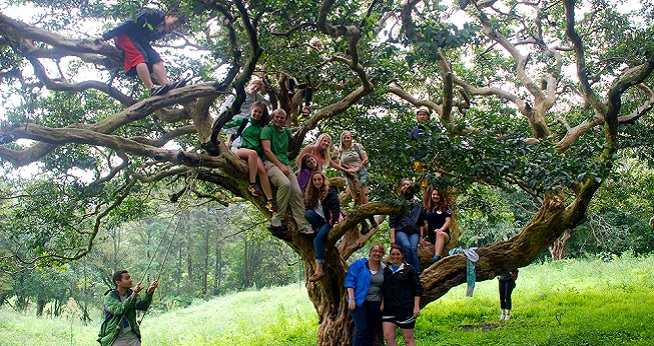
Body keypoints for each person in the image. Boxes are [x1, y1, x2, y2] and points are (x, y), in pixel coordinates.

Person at [99, 8, 186, 97]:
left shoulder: (163, 30)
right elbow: (128, 23)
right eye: (175, 22)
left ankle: (167, 85)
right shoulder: (152, 14)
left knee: (156, 59)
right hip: (124, 35)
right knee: (140, 56)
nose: (175, 26)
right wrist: (105, 37)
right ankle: (151, 88)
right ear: (168, 16)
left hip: (140, 41)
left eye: (177, 26)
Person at [261, 108, 313, 233]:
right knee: (285, 184)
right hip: (270, 163)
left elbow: (293, 143)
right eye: (277, 117)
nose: (279, 119)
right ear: (273, 117)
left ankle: (303, 225)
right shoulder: (267, 130)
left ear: (285, 120)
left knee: (297, 192)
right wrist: (280, 165)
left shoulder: (286, 132)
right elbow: (267, 151)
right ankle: (277, 218)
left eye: (282, 118)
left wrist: (303, 129)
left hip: (285, 164)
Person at [224, 101, 277, 212]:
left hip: (254, 153)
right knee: (252, 154)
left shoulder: (262, 128)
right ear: (251, 111)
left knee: (262, 171)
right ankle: (252, 184)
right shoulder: (244, 122)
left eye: (260, 112)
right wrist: (228, 140)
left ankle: (270, 201)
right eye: (255, 111)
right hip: (238, 149)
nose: (257, 114)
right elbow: (225, 126)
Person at [98, 270, 158, 346]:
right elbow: (119, 310)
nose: (130, 280)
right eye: (127, 278)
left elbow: (142, 306)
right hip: (115, 337)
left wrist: (149, 292)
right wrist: (133, 295)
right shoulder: (110, 297)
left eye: (130, 278)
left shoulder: (130, 293)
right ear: (118, 283)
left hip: (131, 336)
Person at [345, 243, 386, 346]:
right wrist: (352, 298)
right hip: (358, 301)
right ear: (370, 252)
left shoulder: (384, 268)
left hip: (375, 302)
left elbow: (386, 287)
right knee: (362, 329)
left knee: (370, 330)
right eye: (375, 251)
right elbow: (350, 280)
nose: (377, 253)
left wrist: (382, 303)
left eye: (380, 252)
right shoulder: (360, 264)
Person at [381, 245, 423, 346]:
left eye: (398, 254)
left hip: (405, 307)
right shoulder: (386, 270)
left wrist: (416, 307)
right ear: (390, 255)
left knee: (408, 339)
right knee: (388, 337)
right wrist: (382, 303)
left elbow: (417, 288)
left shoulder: (409, 270)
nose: (395, 256)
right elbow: (383, 288)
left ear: (402, 255)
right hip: (389, 308)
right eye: (393, 254)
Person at [338, 130, 377, 234]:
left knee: (364, 199)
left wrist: (357, 168)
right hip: (349, 176)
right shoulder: (341, 150)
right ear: (342, 139)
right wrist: (346, 169)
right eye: (344, 137)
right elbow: (340, 163)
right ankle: (364, 224)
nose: (346, 139)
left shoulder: (357, 146)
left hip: (361, 173)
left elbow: (365, 159)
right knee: (357, 200)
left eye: (348, 137)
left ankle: (372, 220)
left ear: (351, 138)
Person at [304, 171, 341, 281]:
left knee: (317, 240)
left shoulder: (330, 192)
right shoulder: (311, 194)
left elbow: (335, 208)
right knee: (308, 214)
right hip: (319, 221)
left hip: (329, 221)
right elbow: (308, 209)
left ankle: (319, 269)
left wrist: (334, 222)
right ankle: (320, 230)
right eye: (314, 180)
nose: (317, 182)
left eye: (319, 179)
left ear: (323, 180)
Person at [389, 179, 426, 272]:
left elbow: (421, 221)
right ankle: (408, 270)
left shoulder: (418, 203)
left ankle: (416, 272)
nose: (406, 187)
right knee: (406, 246)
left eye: (408, 185)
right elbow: (392, 221)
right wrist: (392, 237)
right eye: (403, 185)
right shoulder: (398, 203)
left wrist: (421, 237)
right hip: (401, 231)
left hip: (414, 232)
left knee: (413, 248)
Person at [422, 188, 452, 262]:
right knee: (420, 243)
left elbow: (448, 221)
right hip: (431, 237)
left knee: (439, 234)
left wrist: (441, 229)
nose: (435, 196)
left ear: (441, 196)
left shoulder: (445, 208)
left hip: (443, 234)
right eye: (434, 194)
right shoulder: (428, 209)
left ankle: (437, 257)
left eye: (438, 195)